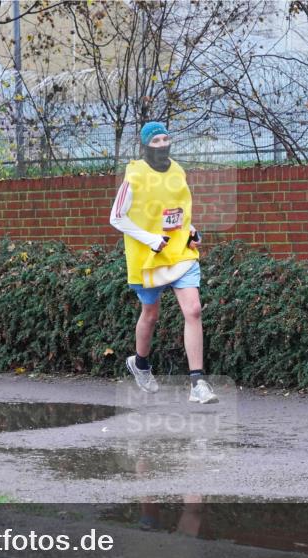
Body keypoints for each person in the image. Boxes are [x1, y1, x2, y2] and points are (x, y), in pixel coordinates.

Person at [109, 121, 218, 404]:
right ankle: (141, 364)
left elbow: (177, 211)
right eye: (155, 140)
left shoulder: (178, 171)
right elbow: (116, 218)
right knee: (151, 314)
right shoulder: (134, 176)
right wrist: (150, 239)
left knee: (193, 310)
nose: (162, 144)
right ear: (145, 145)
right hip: (148, 257)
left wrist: (191, 231)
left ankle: (197, 383)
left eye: (165, 139)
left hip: (179, 252)